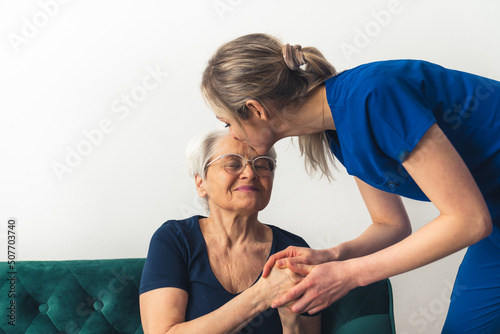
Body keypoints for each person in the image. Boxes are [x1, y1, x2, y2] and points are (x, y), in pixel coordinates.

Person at [200, 33, 500, 333]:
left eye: (228, 123)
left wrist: (349, 274)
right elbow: (391, 224)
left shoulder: (374, 97)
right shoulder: (337, 133)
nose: (232, 135)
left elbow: (470, 221)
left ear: (255, 110)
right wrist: (332, 256)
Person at [139, 130, 321, 334]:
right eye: (233, 164)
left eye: (261, 165)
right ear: (201, 183)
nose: (250, 173)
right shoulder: (174, 239)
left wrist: (290, 315)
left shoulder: (293, 250)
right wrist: (261, 295)